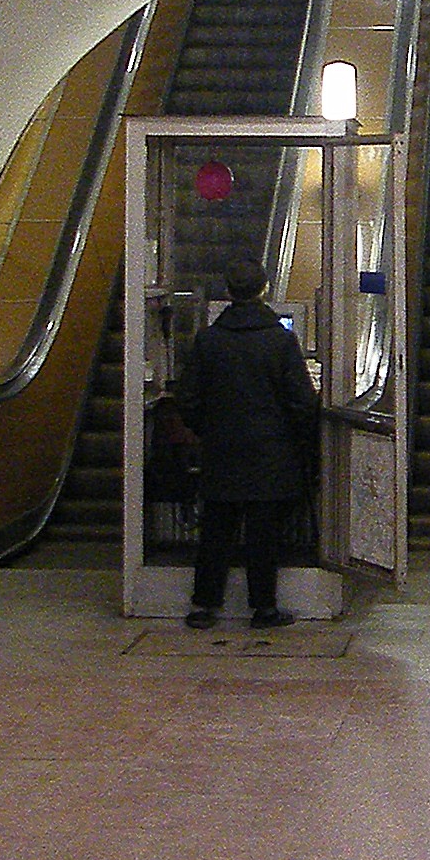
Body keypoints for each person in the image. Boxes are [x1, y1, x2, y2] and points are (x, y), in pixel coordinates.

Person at [172, 254, 321, 628]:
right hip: (271, 453)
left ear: (227, 292)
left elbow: (187, 398)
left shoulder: (209, 341)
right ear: (264, 289)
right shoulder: (280, 341)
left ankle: (205, 605)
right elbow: (302, 401)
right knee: (263, 534)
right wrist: (293, 435)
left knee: (216, 530)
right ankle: (264, 607)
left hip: (222, 451)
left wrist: (207, 428)